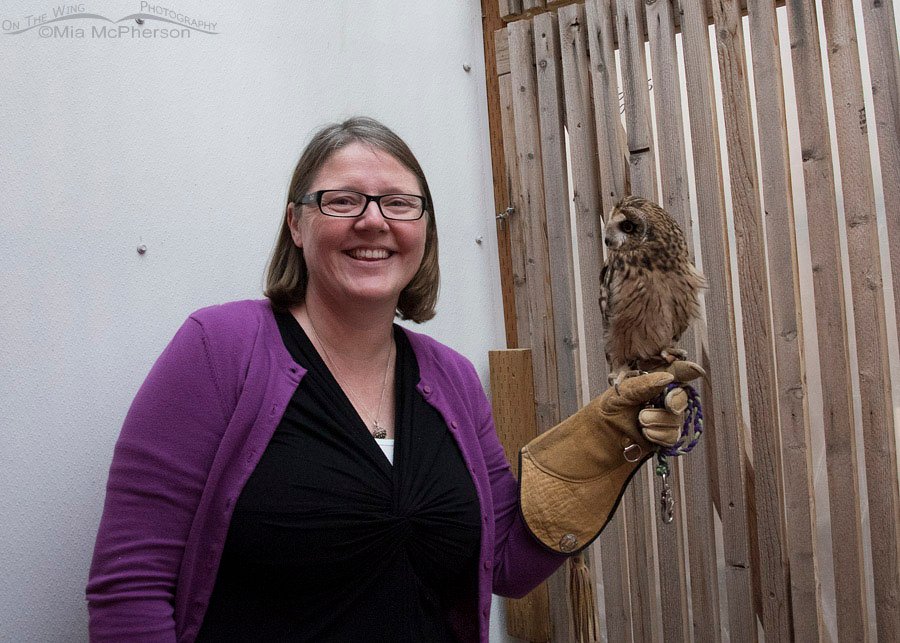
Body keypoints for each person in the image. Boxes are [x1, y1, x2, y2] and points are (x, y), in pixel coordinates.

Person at [86, 117, 694, 642]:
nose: (373, 221)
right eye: (342, 200)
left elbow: (504, 559)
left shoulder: (451, 380)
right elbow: (130, 586)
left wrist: (610, 445)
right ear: (296, 224)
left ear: (423, 230)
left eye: (399, 203)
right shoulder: (221, 349)